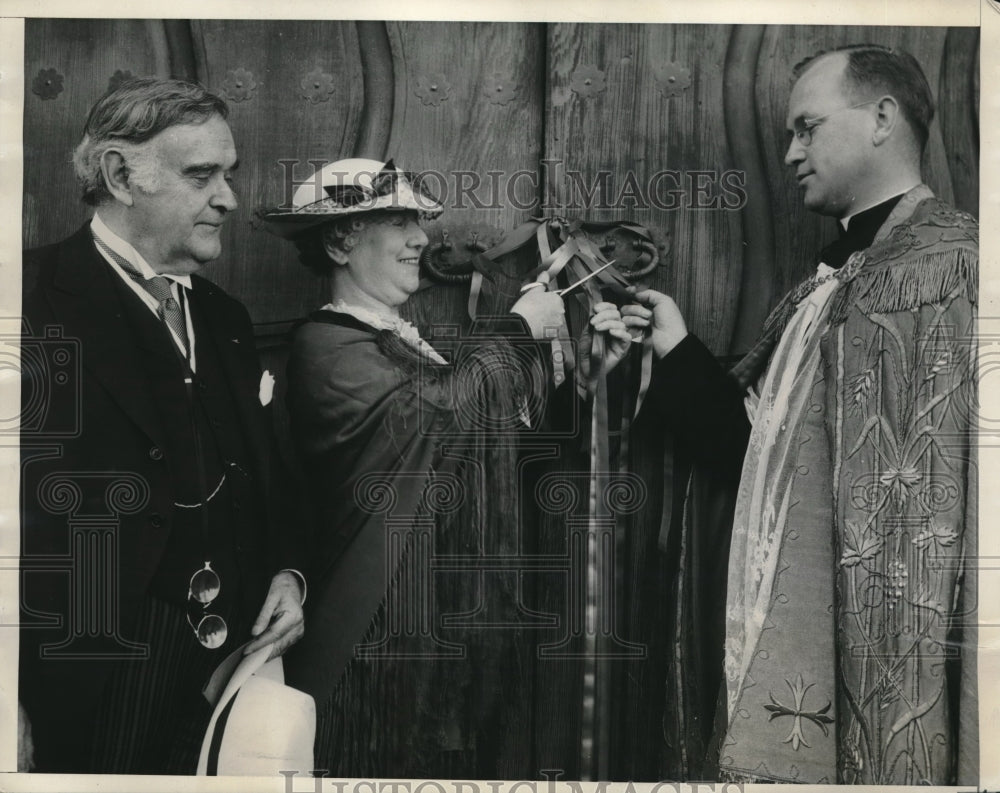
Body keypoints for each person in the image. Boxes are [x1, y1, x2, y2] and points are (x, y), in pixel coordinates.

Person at [624, 45, 977, 785]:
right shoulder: (829, 283)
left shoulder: (957, 267)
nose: (790, 152)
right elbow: (764, 464)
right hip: (792, 626)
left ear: (882, 119)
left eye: (808, 128)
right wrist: (678, 351)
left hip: (899, 646)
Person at [262, 158, 631, 776]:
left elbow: (487, 447)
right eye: (400, 222)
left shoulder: (398, 338)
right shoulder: (325, 345)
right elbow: (436, 420)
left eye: (419, 223)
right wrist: (518, 330)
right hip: (374, 612)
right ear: (338, 240)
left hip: (431, 613)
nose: (420, 240)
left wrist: (587, 382)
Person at [18, 77, 307, 774]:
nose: (229, 199)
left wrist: (289, 574)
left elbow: (270, 471)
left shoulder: (224, 317)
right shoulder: (24, 302)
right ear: (121, 175)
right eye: (202, 174)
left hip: (236, 670)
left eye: (228, 174)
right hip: (87, 680)